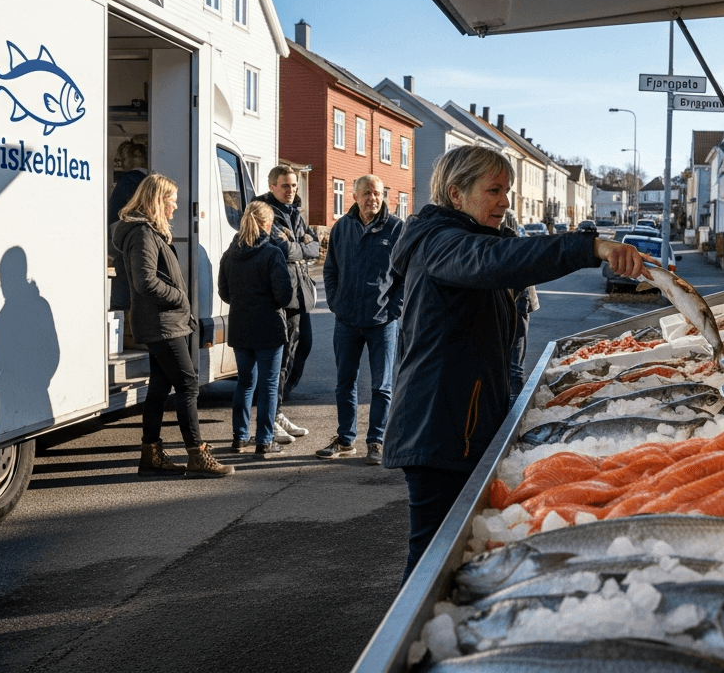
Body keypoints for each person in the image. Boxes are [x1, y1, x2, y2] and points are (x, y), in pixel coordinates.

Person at [384, 146, 648, 582]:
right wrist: (591, 247)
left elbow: (512, 253)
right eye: (493, 190)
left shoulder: (470, 238)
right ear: (456, 195)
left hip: (462, 423)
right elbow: (499, 262)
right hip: (439, 429)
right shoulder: (440, 244)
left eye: (507, 190)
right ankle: (403, 647)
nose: (505, 201)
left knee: (456, 550)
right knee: (433, 558)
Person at [113, 174, 232, 477]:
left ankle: (151, 454)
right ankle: (197, 454)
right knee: (188, 383)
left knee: (159, 387)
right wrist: (178, 296)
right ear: (157, 200)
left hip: (162, 321)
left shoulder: (149, 232)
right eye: (172, 200)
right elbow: (145, 281)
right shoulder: (142, 234)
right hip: (162, 322)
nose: (176, 206)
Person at [319, 174, 404, 465]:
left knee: (382, 385)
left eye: (378, 193)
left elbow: (406, 277)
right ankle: (345, 439)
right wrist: (335, 301)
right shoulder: (342, 227)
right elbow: (330, 270)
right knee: (345, 382)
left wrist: (394, 309)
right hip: (347, 320)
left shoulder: (396, 229)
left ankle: (376, 441)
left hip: (383, 322)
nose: (373, 198)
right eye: (367, 193)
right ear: (355, 196)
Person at [218, 201, 293, 455]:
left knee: (245, 383)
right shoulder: (272, 254)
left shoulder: (229, 255)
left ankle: (239, 437)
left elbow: (224, 293)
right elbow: (284, 296)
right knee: (269, 385)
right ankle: (264, 440)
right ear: (267, 224)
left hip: (240, 326)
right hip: (269, 327)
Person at [254, 165, 321, 442]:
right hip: (280, 294)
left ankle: (277, 409)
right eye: (285, 186)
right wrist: (301, 246)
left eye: (294, 185)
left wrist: (302, 245)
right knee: (279, 359)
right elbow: (284, 250)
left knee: (301, 346)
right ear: (272, 186)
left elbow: (315, 246)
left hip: (299, 293)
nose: (291, 190)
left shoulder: (294, 211)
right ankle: (270, 416)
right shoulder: (265, 212)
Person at [499, 209, 539, 399]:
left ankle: (512, 418)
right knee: (514, 367)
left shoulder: (507, 240)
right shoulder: (516, 239)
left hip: (517, 301)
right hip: (520, 300)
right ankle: (512, 415)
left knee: (513, 367)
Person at [107, 140, 147, 312]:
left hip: (125, 255)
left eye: (123, 157)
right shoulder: (149, 181)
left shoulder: (127, 182)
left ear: (137, 156)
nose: (120, 162)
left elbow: (113, 220)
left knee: (122, 304)